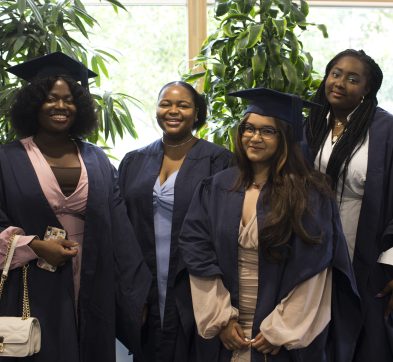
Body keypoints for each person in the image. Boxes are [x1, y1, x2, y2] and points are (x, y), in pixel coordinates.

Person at [179, 87, 362, 361]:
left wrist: (281, 329)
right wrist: (221, 319)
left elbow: (314, 268)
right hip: (227, 329)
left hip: (281, 333)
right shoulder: (217, 188)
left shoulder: (310, 195)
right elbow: (197, 252)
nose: (254, 137)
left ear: (286, 138)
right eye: (248, 129)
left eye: (267, 131)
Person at [0, 52, 151, 362]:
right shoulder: (7, 159)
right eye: (51, 98)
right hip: (30, 279)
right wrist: (35, 246)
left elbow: (120, 229)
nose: (61, 106)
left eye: (69, 99)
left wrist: (136, 294)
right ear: (34, 103)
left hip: (92, 276)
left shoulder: (96, 159)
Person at [118, 80, 233, 362]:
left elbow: (225, 231)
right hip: (145, 281)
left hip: (194, 280)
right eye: (165, 104)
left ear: (197, 113)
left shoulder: (220, 161)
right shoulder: (134, 160)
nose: (173, 111)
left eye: (183, 105)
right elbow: (122, 228)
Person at [305, 49, 393, 361]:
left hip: (366, 255)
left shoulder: (385, 131)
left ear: (368, 89)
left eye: (353, 79)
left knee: (363, 339)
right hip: (310, 251)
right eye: (336, 73)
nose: (340, 82)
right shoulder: (312, 125)